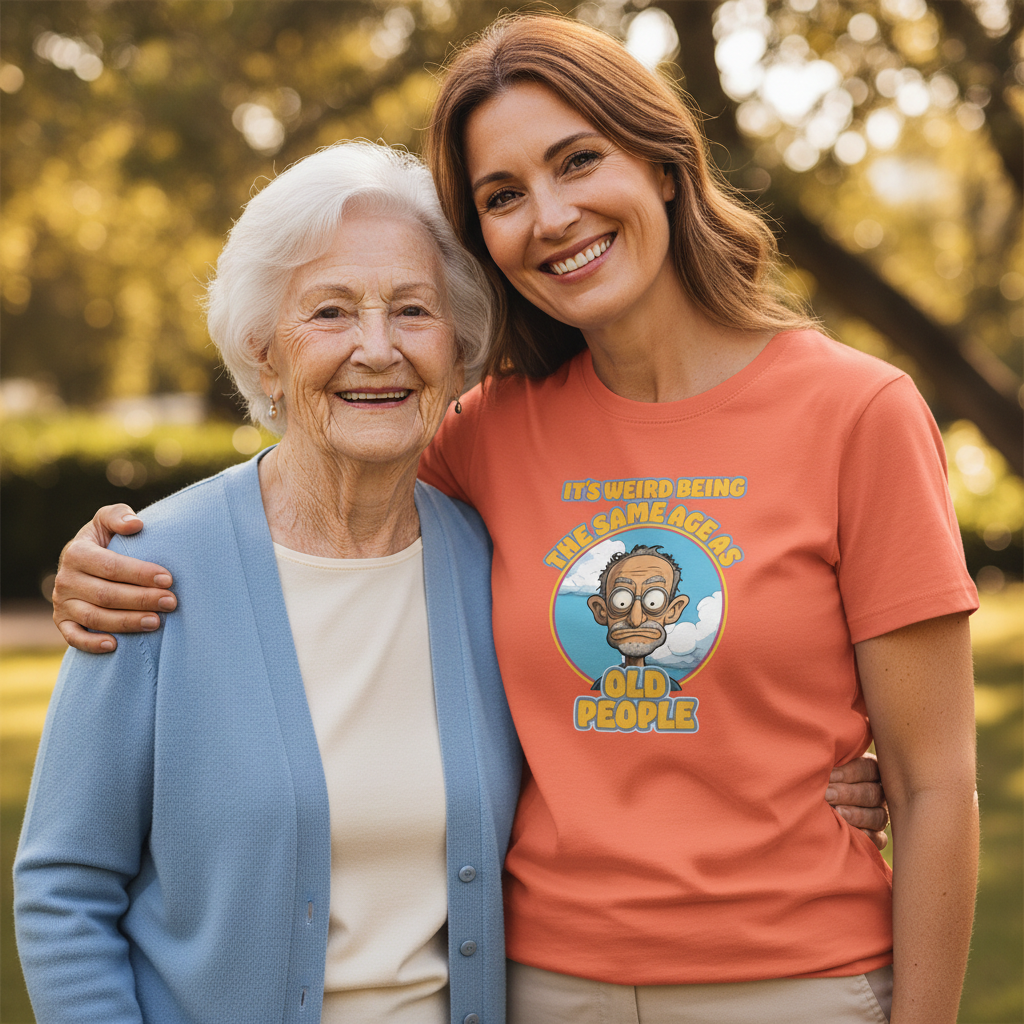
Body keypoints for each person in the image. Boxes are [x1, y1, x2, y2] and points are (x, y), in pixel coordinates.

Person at [47, 14, 939, 1024]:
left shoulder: (856, 412)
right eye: (502, 195)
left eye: (578, 160)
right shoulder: (486, 436)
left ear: (663, 162)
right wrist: (115, 556)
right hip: (546, 988)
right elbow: (313, 490)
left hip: (797, 982)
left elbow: (935, 783)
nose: (551, 216)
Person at [15, 142, 522, 1024]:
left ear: (458, 346)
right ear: (263, 355)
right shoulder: (147, 570)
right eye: (331, 311)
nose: (378, 349)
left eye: (413, 310)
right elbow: (65, 887)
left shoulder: (493, 563)